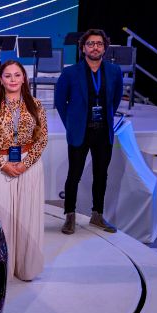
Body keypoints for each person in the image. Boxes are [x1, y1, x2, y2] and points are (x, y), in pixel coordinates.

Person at [0, 60, 47, 281]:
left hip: (29, 164)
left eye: (17, 75)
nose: (13, 80)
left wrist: (26, 163)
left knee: (27, 218)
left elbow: (42, 138)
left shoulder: (35, 104)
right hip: (0, 166)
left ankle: (26, 268)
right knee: (4, 218)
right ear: (0, 80)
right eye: (8, 76)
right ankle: (4, 271)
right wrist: (3, 163)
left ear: (24, 78)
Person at [55, 29, 123, 235]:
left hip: (103, 132)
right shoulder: (70, 73)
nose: (95, 47)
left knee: (101, 175)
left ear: (105, 47)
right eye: (91, 43)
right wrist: (72, 124)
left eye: (99, 44)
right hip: (79, 132)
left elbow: (116, 99)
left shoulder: (114, 71)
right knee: (74, 175)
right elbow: (60, 102)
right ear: (83, 48)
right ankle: (70, 215)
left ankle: (97, 215)